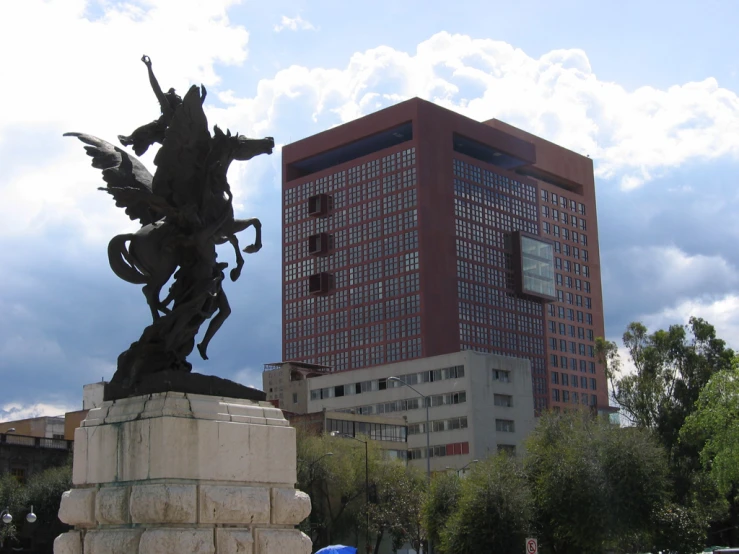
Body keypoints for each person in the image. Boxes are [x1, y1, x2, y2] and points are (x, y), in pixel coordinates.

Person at [118, 55, 183, 156]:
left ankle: (130, 139)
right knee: (148, 132)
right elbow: (156, 87)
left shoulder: (175, 115)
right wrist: (149, 68)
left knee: (150, 131)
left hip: (164, 136)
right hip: (160, 134)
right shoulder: (168, 110)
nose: (180, 100)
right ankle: (130, 139)